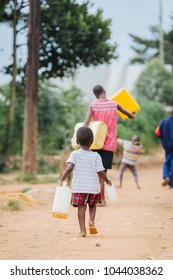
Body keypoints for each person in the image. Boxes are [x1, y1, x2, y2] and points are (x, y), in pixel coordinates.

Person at [83, 85, 135, 206]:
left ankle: (95, 198)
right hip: (109, 144)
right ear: (104, 92)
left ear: (96, 95)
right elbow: (129, 115)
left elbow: (86, 121)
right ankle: (101, 199)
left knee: (96, 172)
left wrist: (79, 138)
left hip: (95, 142)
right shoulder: (114, 104)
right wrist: (133, 114)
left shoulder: (93, 105)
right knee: (103, 172)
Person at [60, 126, 111, 237]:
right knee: (92, 205)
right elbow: (101, 172)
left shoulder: (75, 154)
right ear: (92, 141)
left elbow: (69, 168)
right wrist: (107, 181)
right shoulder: (96, 155)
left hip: (79, 187)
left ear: (77, 141)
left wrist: (62, 178)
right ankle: (91, 221)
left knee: (81, 207)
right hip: (93, 187)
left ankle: (82, 230)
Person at [155, 110, 173, 187]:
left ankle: (166, 177)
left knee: (167, 162)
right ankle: (170, 178)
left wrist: (164, 139)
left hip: (166, 146)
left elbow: (157, 133)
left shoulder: (163, 121)